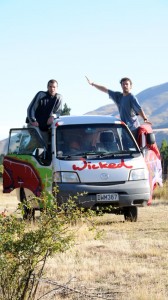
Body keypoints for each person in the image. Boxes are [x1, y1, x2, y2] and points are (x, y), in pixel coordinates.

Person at [86, 76, 151, 139]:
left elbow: (138, 109)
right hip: (124, 128)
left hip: (133, 128)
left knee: (133, 147)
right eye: (123, 84)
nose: (125, 86)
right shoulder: (118, 96)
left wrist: (145, 118)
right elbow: (105, 90)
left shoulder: (131, 97)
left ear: (130, 86)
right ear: (121, 86)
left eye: (127, 84)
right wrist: (93, 84)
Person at [26, 79, 62, 146]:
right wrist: (33, 120)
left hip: (45, 127)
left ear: (57, 88)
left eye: (54, 87)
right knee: (37, 142)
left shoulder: (59, 97)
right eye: (50, 86)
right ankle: (21, 155)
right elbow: (30, 109)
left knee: (45, 147)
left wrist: (52, 116)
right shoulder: (41, 94)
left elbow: (58, 112)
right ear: (47, 87)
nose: (52, 89)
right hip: (35, 124)